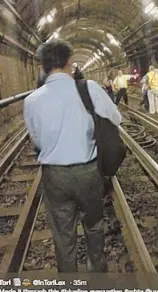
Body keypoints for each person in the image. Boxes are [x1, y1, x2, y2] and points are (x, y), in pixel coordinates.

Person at [23, 39, 121, 273]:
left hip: (54, 176)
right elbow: (116, 119)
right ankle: (97, 272)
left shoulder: (31, 101)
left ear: (43, 67)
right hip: (88, 172)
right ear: (70, 63)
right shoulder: (89, 88)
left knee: (63, 234)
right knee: (94, 225)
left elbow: (36, 141)